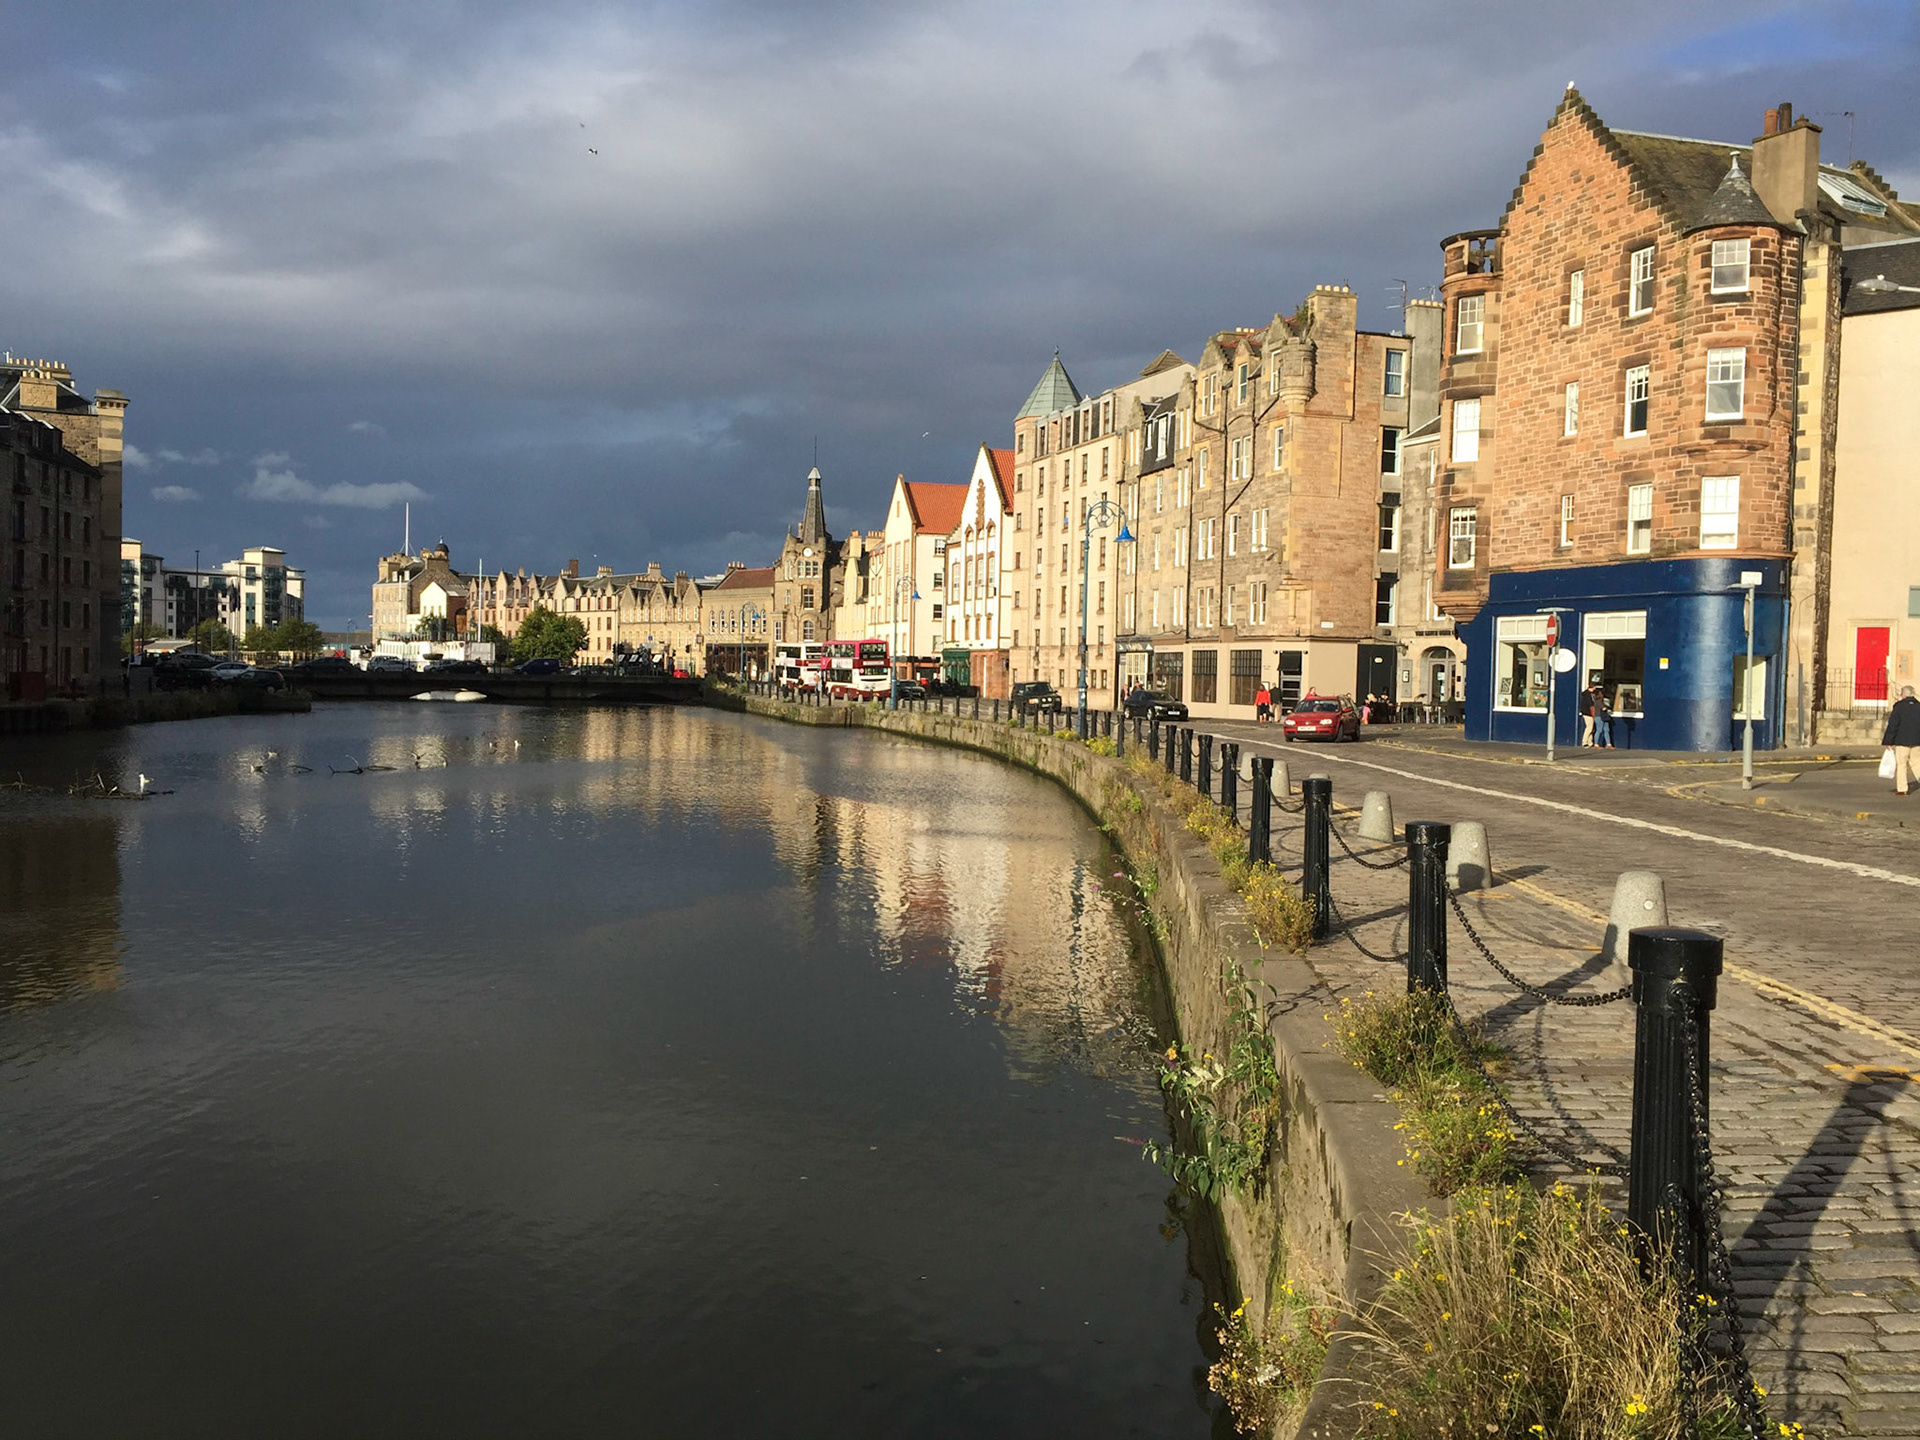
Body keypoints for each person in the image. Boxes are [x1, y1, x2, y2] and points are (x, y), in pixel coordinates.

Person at [1884, 684, 1920, 797]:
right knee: (1916, 763)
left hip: (1902, 740)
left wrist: (1888, 741)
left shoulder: (1899, 706)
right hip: (1917, 740)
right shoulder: (1919, 706)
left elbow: (1893, 725)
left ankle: (1902, 789)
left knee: (1901, 764)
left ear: (1903, 694)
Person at [1578, 680, 1598, 746]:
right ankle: (1584, 742)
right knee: (1589, 728)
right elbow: (1591, 706)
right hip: (1588, 713)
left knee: (1590, 728)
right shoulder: (1588, 695)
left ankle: (1590, 742)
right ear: (1593, 687)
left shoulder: (1586, 694)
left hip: (1585, 712)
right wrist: (1593, 714)